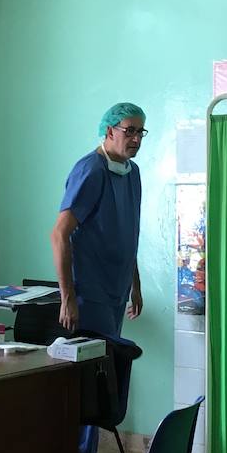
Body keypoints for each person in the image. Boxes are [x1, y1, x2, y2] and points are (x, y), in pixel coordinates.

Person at [51, 102, 146, 338]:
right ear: (110, 131)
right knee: (96, 367)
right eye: (129, 130)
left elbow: (127, 234)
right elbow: (59, 235)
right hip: (90, 292)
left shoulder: (132, 173)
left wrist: (135, 286)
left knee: (112, 360)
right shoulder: (91, 170)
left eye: (140, 132)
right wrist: (68, 298)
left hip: (118, 289)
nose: (136, 139)